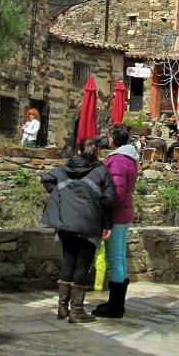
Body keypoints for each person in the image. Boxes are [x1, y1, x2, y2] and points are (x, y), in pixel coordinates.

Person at [41, 137, 115, 323]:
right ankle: (76, 311)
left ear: (79, 151)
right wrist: (107, 224)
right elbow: (109, 199)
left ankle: (62, 306)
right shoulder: (100, 171)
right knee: (83, 264)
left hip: (66, 221)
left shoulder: (65, 168)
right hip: (89, 223)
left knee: (69, 261)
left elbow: (46, 179)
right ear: (96, 152)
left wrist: (62, 194)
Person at [93, 124, 139, 319]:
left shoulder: (119, 161)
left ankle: (116, 306)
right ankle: (116, 302)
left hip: (118, 215)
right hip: (125, 212)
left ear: (113, 139)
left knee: (115, 259)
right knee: (119, 258)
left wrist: (106, 214)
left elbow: (117, 191)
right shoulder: (129, 158)